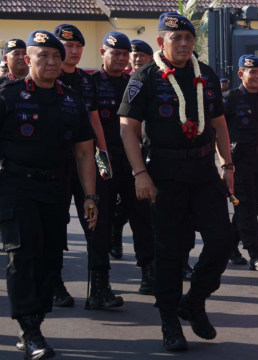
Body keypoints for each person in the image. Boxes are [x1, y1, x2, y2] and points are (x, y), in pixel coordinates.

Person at [0, 29, 98, 360]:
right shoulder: (4, 95)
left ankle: (35, 320)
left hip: (54, 189)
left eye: (57, 56)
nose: (52, 61)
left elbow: (84, 152)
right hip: (14, 187)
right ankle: (29, 330)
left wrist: (90, 196)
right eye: (44, 56)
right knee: (23, 257)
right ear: (28, 60)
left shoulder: (71, 100)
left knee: (50, 259)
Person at [119, 12, 233, 352]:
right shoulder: (146, 76)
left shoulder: (206, 74)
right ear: (161, 43)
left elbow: (220, 123)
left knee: (222, 239)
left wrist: (227, 163)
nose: (184, 44)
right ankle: (170, 320)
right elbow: (127, 127)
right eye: (176, 39)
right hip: (165, 173)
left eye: (188, 38)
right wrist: (140, 173)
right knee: (170, 251)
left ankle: (194, 300)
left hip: (203, 171)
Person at [53, 23, 112, 307]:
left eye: (78, 47)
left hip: (85, 161)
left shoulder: (87, 81)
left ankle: (100, 288)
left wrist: (103, 155)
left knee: (95, 224)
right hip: (54, 164)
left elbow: (95, 120)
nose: (74, 51)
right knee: (54, 225)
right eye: (68, 46)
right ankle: (54, 284)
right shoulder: (46, 78)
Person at [92, 31, 154, 299]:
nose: (119, 58)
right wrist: (101, 162)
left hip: (132, 159)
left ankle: (148, 273)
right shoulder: (91, 83)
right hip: (101, 158)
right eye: (113, 52)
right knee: (101, 221)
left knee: (143, 218)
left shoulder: (135, 82)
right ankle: (100, 283)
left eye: (123, 53)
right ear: (103, 53)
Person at [224, 54, 258, 272]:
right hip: (239, 161)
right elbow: (219, 131)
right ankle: (256, 255)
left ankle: (229, 247)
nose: (257, 76)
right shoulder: (230, 99)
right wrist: (225, 163)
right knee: (244, 207)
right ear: (240, 74)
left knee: (252, 207)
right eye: (252, 72)